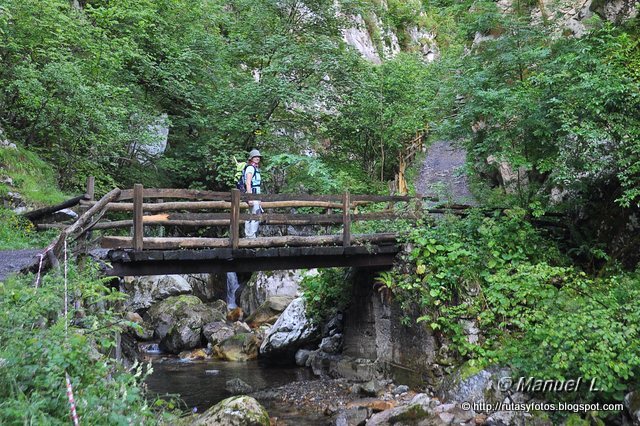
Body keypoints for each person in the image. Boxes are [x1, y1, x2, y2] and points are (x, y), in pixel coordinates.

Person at [244, 149, 262, 238]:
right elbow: (248, 182)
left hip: (255, 195)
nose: (257, 158)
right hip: (252, 195)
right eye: (255, 156)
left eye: (258, 157)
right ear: (251, 158)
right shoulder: (250, 168)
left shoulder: (255, 168)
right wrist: (249, 197)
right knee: (256, 215)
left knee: (250, 215)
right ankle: (251, 236)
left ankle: (249, 235)